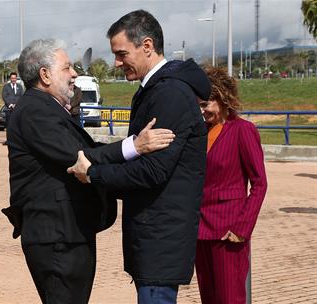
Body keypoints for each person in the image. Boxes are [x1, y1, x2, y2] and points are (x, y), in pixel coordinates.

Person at [5, 38, 175, 304]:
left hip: (66, 233)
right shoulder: (35, 111)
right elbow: (80, 157)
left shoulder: (46, 107)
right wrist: (135, 146)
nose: (74, 74)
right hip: (57, 237)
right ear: (45, 75)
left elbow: (89, 147)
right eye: (67, 68)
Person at [67, 10, 211, 304]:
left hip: (161, 238)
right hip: (152, 233)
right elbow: (137, 154)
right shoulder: (155, 90)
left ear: (147, 46)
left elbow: (152, 170)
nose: (116, 63)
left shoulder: (169, 94)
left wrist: (94, 175)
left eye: (121, 54)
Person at [195, 67, 267, 304]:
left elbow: (259, 184)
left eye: (206, 104)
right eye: (199, 105)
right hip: (200, 232)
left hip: (228, 233)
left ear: (223, 98)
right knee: (209, 298)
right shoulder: (199, 133)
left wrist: (242, 229)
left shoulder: (243, 131)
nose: (202, 110)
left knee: (230, 299)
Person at [1, 72, 24, 145]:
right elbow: (4, 96)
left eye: (15, 78)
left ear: (16, 78)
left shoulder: (20, 86)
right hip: (9, 109)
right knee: (9, 125)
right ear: (10, 78)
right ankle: (9, 140)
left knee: (17, 125)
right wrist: (10, 105)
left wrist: (17, 105)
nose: (13, 79)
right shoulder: (6, 87)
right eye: (12, 78)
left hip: (17, 109)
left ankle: (17, 140)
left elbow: (22, 96)